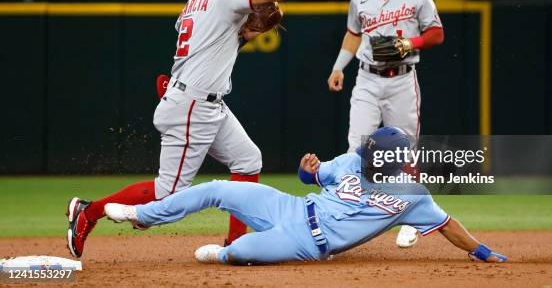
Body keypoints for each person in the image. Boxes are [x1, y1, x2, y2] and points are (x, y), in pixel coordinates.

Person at [66, 0, 360, 258]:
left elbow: (223, 42)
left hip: (202, 101)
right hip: (193, 105)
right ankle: (88, 212)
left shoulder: (194, 3)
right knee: (168, 192)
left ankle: (236, 245)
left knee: (248, 160)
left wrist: (253, 30)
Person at [104, 127, 507, 265]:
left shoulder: (412, 194)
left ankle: (224, 253)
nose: (364, 161)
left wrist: (482, 251)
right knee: (218, 189)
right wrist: (307, 170)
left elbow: (447, 224)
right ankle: (144, 215)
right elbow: (307, 179)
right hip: (292, 206)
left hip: (306, 242)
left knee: (241, 251)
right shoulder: (352, 161)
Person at [326, 0, 445, 249]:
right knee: (356, 146)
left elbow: (436, 33)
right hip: (367, 78)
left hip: (403, 80)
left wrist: (411, 44)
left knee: (406, 150)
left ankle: (410, 218)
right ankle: (345, 212)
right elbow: (354, 34)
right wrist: (339, 68)